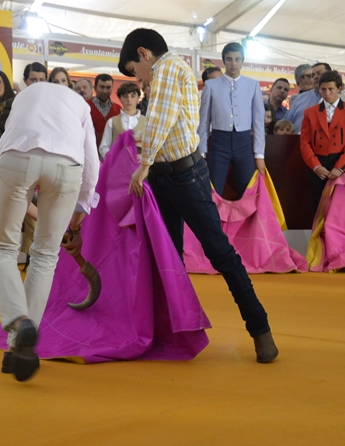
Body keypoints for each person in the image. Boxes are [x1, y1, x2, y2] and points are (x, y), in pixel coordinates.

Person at [119, 28, 278, 364]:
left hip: (182, 175)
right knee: (171, 258)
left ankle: (260, 328)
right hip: (171, 175)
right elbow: (159, 123)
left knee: (219, 253)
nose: (139, 79)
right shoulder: (169, 71)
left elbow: (162, 120)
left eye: (136, 70)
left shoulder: (169, 69)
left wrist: (143, 164)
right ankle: (176, 334)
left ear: (144, 54)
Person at [0, 81, 99, 382]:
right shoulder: (81, 106)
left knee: (3, 248)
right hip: (67, 165)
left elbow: (7, 137)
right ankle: (20, 348)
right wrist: (77, 219)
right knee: (45, 256)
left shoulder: (24, 96)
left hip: (17, 155)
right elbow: (92, 166)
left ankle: (17, 321)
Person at [198, 42, 265, 199]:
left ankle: (246, 224)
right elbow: (204, 121)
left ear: (242, 61)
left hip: (244, 144)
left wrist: (259, 155)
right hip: (219, 143)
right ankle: (214, 223)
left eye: (237, 59)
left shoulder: (253, 85)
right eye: (229, 59)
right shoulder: (210, 85)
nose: (233, 63)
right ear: (224, 61)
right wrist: (201, 152)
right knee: (213, 189)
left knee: (248, 190)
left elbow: (258, 122)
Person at [299, 71, 345, 211]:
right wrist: (316, 166)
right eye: (323, 89)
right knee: (318, 204)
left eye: (331, 89)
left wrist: (340, 167)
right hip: (318, 163)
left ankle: (336, 233)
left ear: (339, 88)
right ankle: (319, 233)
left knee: (339, 206)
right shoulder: (310, 112)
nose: (327, 93)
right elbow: (304, 143)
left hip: (339, 161)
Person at [99, 81, 146, 160]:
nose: (129, 99)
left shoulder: (146, 122)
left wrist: (144, 157)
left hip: (140, 166)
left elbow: (152, 146)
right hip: (118, 166)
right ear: (120, 98)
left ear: (138, 98)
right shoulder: (112, 122)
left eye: (133, 96)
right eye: (125, 96)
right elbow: (104, 146)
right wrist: (111, 155)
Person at [284, 62, 330, 134]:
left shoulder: (340, 98)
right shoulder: (299, 99)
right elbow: (286, 124)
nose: (315, 77)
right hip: (297, 142)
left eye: (319, 73)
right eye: (312, 75)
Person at [87, 73, 121, 143]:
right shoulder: (86, 106)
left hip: (112, 151)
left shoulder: (118, 109)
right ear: (95, 88)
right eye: (102, 87)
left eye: (108, 88)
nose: (105, 91)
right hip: (90, 149)